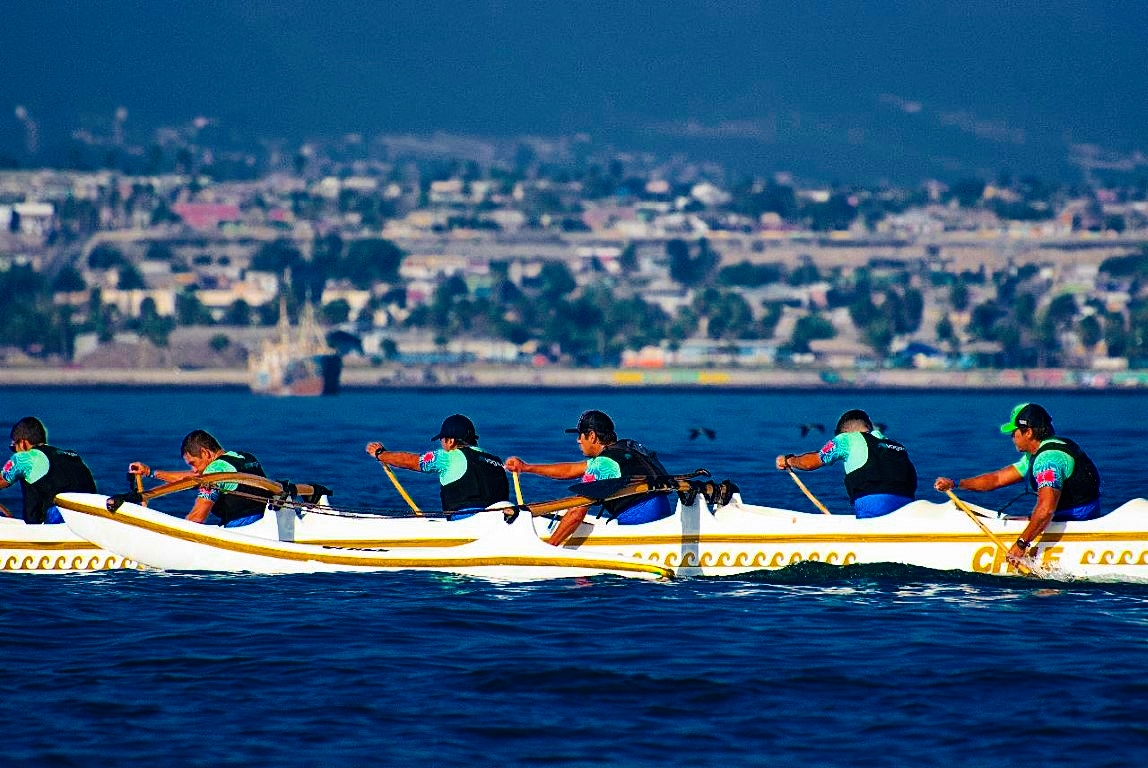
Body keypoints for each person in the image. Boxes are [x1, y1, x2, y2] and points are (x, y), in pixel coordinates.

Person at [934, 402, 1101, 563]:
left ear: (1028, 432)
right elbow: (996, 479)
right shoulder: (1047, 449)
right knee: (1023, 519)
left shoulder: (1047, 460)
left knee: (1030, 519)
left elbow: (1046, 509)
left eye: (1013, 432)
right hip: (1077, 514)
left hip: (1075, 519)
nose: (1012, 437)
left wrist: (1022, 543)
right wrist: (956, 484)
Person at [505, 410, 674, 546]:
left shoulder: (602, 465)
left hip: (640, 525)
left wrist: (549, 548)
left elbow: (577, 512)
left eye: (581, 436)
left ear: (592, 436)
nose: (578, 441)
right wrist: (526, 467)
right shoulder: (626, 450)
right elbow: (572, 469)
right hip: (663, 515)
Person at [775, 408, 917, 518]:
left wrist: (789, 460)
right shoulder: (897, 446)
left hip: (874, 507)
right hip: (908, 508)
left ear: (845, 431)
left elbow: (810, 462)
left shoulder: (846, 439)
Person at [366, 414, 509, 516]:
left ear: (451, 441)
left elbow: (410, 461)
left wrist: (380, 454)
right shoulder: (495, 461)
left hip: (468, 521)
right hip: (500, 517)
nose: (441, 443)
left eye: (442, 440)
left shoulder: (447, 457)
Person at [128, 429, 270, 527]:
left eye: (193, 463)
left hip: (242, 532)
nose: (193, 470)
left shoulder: (215, 470)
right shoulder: (243, 458)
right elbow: (195, 478)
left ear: (205, 453)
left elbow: (197, 517)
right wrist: (150, 472)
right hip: (262, 525)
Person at [0, 416, 97, 524]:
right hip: (93, 516)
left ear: (23, 443)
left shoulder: (25, 458)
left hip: (59, 519)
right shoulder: (72, 456)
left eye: (14, 447)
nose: (15, 452)